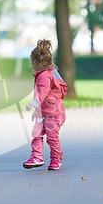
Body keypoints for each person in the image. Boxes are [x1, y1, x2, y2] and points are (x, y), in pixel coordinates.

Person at [23, 39, 68, 171]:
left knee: (52, 136)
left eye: (33, 62)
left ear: (36, 63)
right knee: (36, 133)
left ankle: (56, 158)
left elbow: (43, 92)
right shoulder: (44, 74)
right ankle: (37, 156)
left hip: (54, 113)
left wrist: (33, 103)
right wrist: (37, 109)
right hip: (42, 112)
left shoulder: (45, 76)